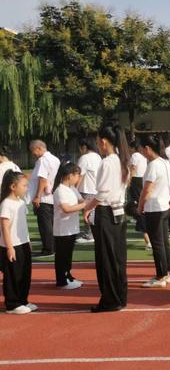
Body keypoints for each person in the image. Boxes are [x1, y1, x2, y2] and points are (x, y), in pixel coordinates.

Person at [83, 124, 131, 312]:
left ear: (103, 142)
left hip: (106, 213)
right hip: (118, 212)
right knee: (118, 257)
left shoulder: (108, 162)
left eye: (97, 141)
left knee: (107, 259)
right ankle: (119, 296)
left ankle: (110, 300)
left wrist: (87, 208)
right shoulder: (122, 160)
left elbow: (102, 193)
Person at [138, 135, 170, 288]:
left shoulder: (153, 165)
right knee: (163, 242)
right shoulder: (164, 162)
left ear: (147, 148)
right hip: (164, 206)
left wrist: (140, 206)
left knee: (157, 243)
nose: (140, 152)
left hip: (155, 208)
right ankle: (165, 273)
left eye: (141, 149)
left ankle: (161, 275)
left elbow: (147, 189)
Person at [0, 171, 35, 314]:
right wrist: (9, 247)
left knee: (25, 273)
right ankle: (12, 303)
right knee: (13, 275)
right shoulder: (6, 204)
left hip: (23, 243)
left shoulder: (20, 203)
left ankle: (22, 300)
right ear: (13, 186)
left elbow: (22, 225)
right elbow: (5, 227)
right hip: (11, 245)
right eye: (24, 185)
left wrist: (28, 241)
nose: (26, 188)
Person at [52, 162, 86, 290]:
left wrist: (86, 203)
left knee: (68, 254)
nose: (78, 177)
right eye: (77, 175)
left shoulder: (72, 188)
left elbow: (81, 200)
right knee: (62, 255)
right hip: (63, 229)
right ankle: (62, 280)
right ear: (70, 175)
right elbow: (66, 208)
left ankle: (68, 276)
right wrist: (84, 205)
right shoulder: (60, 190)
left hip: (72, 227)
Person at [28, 140, 61, 256]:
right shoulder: (55, 159)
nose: (33, 154)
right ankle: (53, 247)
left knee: (45, 224)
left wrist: (37, 196)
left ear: (39, 148)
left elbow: (42, 179)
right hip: (51, 195)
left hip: (43, 197)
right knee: (51, 223)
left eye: (33, 151)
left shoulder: (42, 161)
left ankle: (48, 248)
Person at [75, 138, 101, 244]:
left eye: (80, 149)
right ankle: (91, 233)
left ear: (84, 147)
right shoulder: (98, 156)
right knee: (92, 212)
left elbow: (79, 175)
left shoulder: (84, 158)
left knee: (87, 212)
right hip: (96, 188)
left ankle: (89, 235)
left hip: (87, 188)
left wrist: (74, 189)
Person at [128, 140, 149, 250]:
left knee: (137, 204)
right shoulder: (143, 156)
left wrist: (129, 180)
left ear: (133, 148)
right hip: (142, 180)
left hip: (136, 180)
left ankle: (147, 238)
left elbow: (133, 169)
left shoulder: (135, 155)